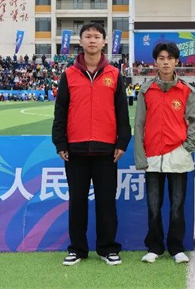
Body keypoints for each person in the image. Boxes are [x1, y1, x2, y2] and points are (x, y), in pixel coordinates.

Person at [52, 22, 132, 266]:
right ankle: (77, 248)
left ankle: (107, 248)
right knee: (77, 201)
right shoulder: (69, 74)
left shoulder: (114, 74)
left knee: (106, 202)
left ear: (104, 42)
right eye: (88, 36)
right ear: (81, 41)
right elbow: (60, 110)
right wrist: (60, 142)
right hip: (75, 149)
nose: (92, 40)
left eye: (97, 36)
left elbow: (122, 111)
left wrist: (122, 142)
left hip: (106, 149)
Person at [134, 42, 195, 264]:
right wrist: (140, 155)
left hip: (178, 155)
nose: (165, 62)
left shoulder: (185, 90)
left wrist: (187, 147)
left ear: (176, 61)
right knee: (153, 206)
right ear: (155, 61)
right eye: (161, 58)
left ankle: (176, 247)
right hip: (153, 155)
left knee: (177, 206)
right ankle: (154, 247)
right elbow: (139, 125)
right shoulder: (146, 90)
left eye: (169, 58)